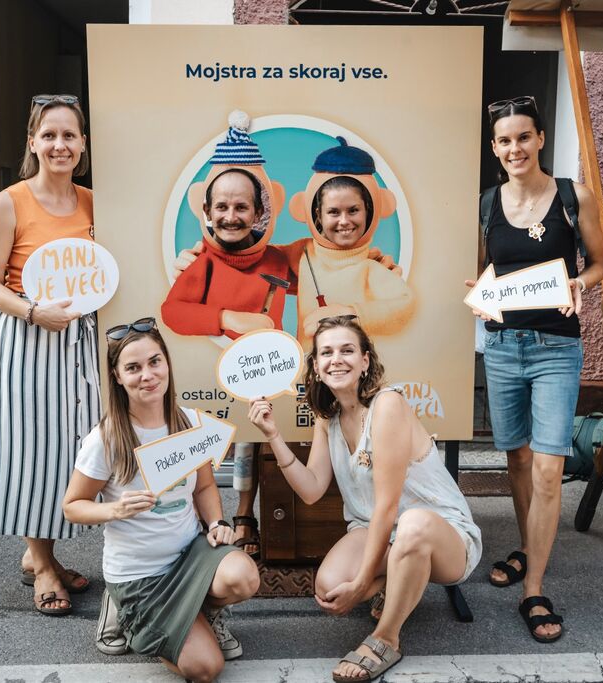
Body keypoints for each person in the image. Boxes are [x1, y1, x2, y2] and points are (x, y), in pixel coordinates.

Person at [248, 315, 481, 683]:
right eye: (326, 353)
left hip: (440, 535)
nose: (336, 360)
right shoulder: (328, 418)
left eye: (347, 350)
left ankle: (386, 638)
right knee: (328, 588)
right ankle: (397, 580)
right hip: (376, 529)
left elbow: (388, 507)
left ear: (365, 361)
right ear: (315, 365)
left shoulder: (387, 406)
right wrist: (273, 435)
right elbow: (311, 489)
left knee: (412, 524)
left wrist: (360, 584)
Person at [465, 95, 603, 643]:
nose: (514, 148)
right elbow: (483, 271)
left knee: (549, 467)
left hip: (556, 348)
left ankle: (535, 589)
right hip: (503, 347)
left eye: (523, 137)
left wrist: (578, 283)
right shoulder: (486, 203)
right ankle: (528, 548)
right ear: (494, 147)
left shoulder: (573, 196)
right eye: (504, 140)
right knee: (519, 460)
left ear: (541, 139)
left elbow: (599, 264)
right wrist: (480, 295)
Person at [63, 319, 259, 683]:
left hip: (189, 557)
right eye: (133, 368)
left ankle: (200, 615)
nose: (148, 375)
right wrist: (115, 509)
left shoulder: (188, 422)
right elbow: (72, 506)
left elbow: (204, 487)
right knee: (206, 669)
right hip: (140, 578)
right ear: (117, 376)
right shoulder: (106, 438)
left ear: (167, 362)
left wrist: (217, 523)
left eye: (155, 362)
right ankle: (127, 614)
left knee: (243, 576)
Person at [0, 94, 98, 616]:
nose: (59, 145)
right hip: (26, 335)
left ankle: (40, 552)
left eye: (69, 135)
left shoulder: (94, 203)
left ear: (83, 144)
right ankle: (44, 565)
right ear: (32, 142)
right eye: (49, 135)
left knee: (73, 447)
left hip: (80, 337)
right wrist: (33, 312)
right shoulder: (8, 203)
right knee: (30, 449)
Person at [161, 111, 292, 340]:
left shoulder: (278, 260)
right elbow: (172, 312)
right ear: (206, 211)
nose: (230, 217)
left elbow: (321, 269)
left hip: (275, 359)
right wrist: (227, 318)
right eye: (221, 207)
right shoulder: (202, 261)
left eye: (241, 207)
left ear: (258, 213)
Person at [288, 137, 415, 342]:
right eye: (333, 212)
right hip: (308, 361)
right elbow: (260, 260)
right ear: (318, 214)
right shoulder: (303, 253)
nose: (344, 221)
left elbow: (404, 305)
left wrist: (350, 313)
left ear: (369, 210)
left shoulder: (372, 268)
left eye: (353, 210)